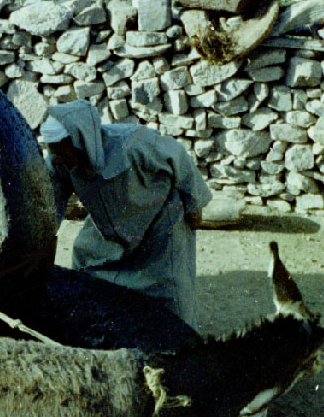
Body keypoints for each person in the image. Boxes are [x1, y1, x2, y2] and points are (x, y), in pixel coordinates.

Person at [41, 100, 212, 330]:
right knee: (86, 262)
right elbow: (50, 200)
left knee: (168, 282)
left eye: (62, 151)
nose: (58, 158)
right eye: (54, 152)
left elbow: (179, 157)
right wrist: (41, 235)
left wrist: (195, 204)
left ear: (81, 140)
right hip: (110, 221)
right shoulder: (59, 160)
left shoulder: (133, 143)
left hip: (159, 218)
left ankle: (178, 335)